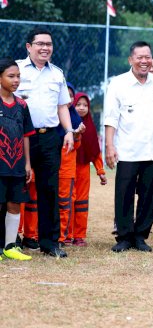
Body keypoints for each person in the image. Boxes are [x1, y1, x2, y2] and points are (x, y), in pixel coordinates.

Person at [104, 41, 153, 253]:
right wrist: (109, 146)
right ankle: (124, 236)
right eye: (139, 57)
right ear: (131, 60)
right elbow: (111, 118)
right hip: (127, 149)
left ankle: (140, 235)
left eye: (148, 57)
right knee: (124, 193)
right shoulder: (118, 83)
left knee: (149, 194)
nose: (144, 62)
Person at [16, 28, 75, 258]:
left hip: (50, 137)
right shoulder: (16, 70)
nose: (45, 48)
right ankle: (9, 241)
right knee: (13, 187)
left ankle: (49, 243)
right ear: (28, 46)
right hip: (20, 137)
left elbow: (62, 106)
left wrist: (69, 131)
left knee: (49, 189)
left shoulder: (57, 74)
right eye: (39, 43)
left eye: (48, 44)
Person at [0, 57, 35, 261]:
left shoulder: (22, 105)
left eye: (18, 76)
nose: (16, 80)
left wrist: (28, 163)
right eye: (11, 76)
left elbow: (26, 135)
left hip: (17, 165)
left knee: (14, 204)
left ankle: (10, 246)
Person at [72, 92, 106, 246]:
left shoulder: (90, 127)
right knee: (67, 202)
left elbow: (95, 152)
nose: (81, 108)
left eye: (85, 105)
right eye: (78, 104)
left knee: (81, 203)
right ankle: (66, 234)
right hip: (67, 169)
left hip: (83, 170)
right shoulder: (67, 124)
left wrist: (101, 172)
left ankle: (79, 235)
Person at [57, 84, 85, 246]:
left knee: (65, 203)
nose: (67, 99)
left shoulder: (75, 120)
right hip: (50, 165)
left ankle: (61, 237)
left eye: (70, 96)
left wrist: (77, 135)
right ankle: (36, 235)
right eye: (64, 95)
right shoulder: (50, 118)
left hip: (67, 168)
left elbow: (78, 147)